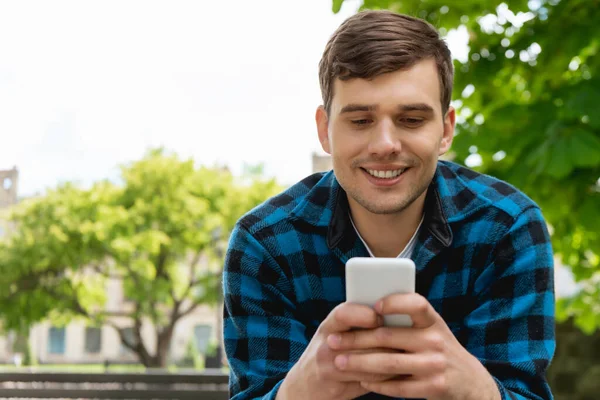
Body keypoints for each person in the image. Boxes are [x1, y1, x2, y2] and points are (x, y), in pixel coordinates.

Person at [222, 9, 555, 400]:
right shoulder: (263, 246)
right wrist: (296, 393)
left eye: (411, 119)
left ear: (446, 130)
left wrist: (476, 390)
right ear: (324, 131)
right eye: (360, 121)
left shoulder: (508, 228)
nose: (384, 144)